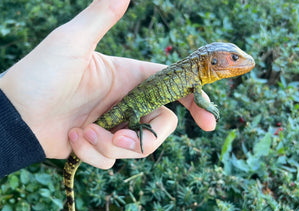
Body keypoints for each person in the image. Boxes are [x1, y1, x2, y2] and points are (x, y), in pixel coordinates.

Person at [0, 0, 216, 178]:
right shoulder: (192, 78)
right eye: (233, 59)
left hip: (131, 107)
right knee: (135, 122)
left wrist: (16, 128)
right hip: (131, 109)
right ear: (212, 62)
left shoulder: (192, 76)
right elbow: (202, 102)